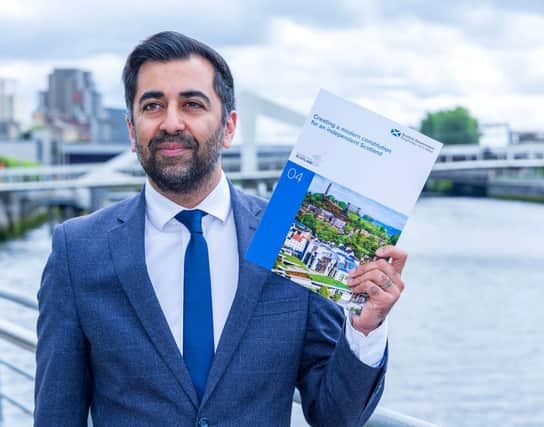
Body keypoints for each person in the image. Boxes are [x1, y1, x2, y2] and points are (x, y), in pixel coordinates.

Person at [34, 31, 407, 427]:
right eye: (153, 105)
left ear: (229, 127)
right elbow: (56, 414)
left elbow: (335, 416)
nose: (171, 122)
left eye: (192, 104)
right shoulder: (78, 250)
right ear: (131, 129)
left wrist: (365, 328)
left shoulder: (285, 236)